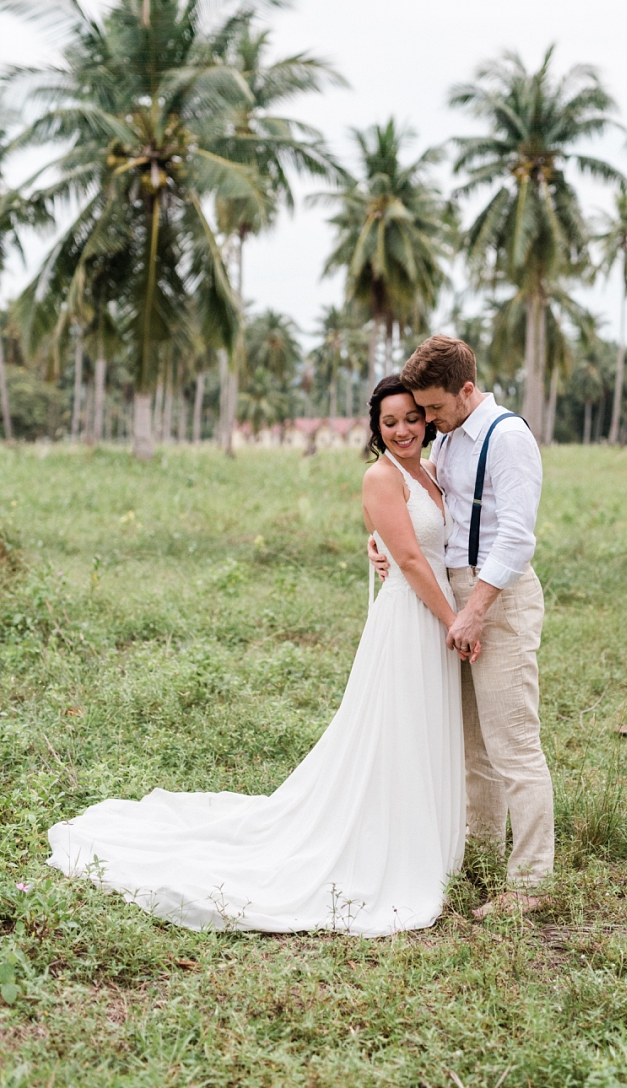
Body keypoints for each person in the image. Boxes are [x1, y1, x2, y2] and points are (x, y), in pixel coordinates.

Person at [46, 377, 465, 938]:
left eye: (412, 418)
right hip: (414, 615)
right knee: (396, 730)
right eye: (389, 423)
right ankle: (389, 845)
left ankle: (425, 836)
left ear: (427, 418)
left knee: (423, 728)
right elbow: (411, 559)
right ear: (375, 428)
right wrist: (453, 620)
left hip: (433, 610)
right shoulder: (380, 476)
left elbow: (427, 542)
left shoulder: (432, 471)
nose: (402, 430)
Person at [370, 335, 553, 915]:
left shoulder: (508, 438)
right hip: (453, 597)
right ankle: (478, 855)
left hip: (494, 598)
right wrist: (384, 549)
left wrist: (473, 611)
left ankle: (529, 884)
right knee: (473, 745)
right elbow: (428, 514)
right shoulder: (449, 442)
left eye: (433, 408)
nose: (425, 420)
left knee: (513, 745)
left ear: (466, 390)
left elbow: (517, 536)